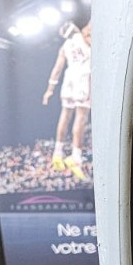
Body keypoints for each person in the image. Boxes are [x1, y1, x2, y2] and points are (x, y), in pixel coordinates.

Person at [42, 20, 92, 182]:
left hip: (69, 77)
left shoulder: (64, 47)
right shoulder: (85, 36)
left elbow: (57, 69)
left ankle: (58, 152)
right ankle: (76, 157)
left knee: (65, 115)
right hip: (83, 77)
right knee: (81, 117)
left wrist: (49, 90)